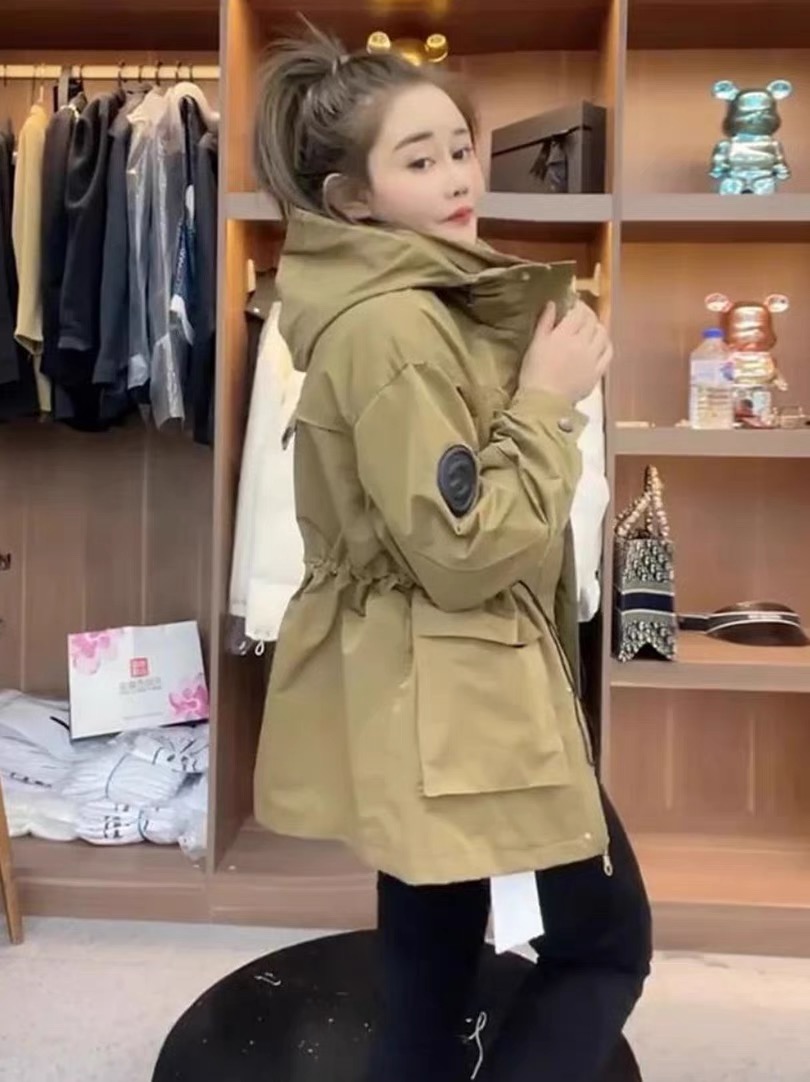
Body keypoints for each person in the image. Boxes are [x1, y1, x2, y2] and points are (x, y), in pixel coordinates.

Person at [251, 25, 652, 1082]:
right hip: (460, 691)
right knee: (605, 942)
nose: (459, 177)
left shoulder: (403, 305)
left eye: (462, 148)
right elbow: (460, 549)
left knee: (430, 960)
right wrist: (548, 402)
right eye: (420, 160)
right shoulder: (396, 330)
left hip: (423, 690)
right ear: (353, 199)